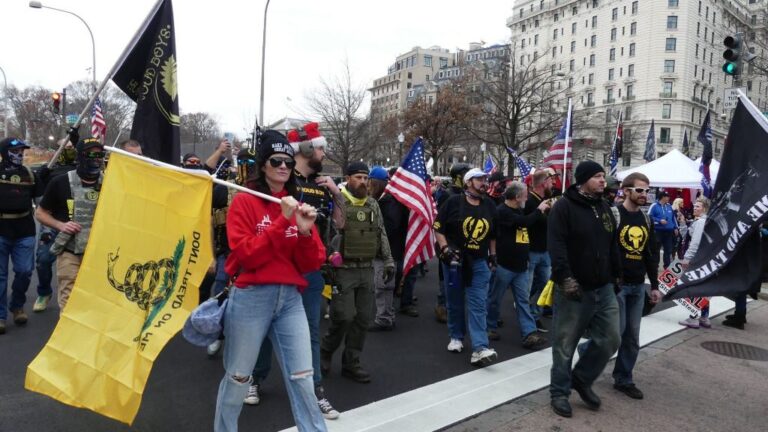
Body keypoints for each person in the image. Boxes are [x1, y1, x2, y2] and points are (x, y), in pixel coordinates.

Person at [214, 130, 327, 432]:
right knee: (238, 377)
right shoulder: (245, 203)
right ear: (263, 165)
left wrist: (303, 231)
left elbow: (311, 262)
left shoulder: (294, 203)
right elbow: (247, 255)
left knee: (303, 377)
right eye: (276, 161)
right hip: (251, 296)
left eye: (288, 163)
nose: (283, 167)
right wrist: (281, 221)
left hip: (290, 298)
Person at [247, 122, 344, 419]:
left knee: (311, 331)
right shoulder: (281, 183)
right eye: (319, 147)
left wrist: (336, 195)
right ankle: (254, 379)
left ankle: (315, 390)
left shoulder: (320, 183)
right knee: (263, 330)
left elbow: (340, 224)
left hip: (309, 270)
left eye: (286, 164)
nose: (324, 153)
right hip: (276, 267)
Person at [547, 160, 621, 418]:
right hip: (574, 288)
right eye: (598, 176)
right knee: (565, 343)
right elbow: (556, 246)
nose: (603, 180)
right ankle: (559, 392)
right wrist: (565, 278)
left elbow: (612, 244)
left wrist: (616, 274)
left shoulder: (604, 208)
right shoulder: (564, 208)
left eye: (603, 176)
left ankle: (581, 378)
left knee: (611, 338)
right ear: (582, 180)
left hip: (604, 287)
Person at [320, 162, 395, 384]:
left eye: (366, 178)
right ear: (348, 178)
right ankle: (325, 351)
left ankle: (351, 362)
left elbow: (381, 232)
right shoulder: (337, 199)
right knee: (343, 317)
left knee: (362, 319)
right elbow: (330, 232)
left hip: (366, 268)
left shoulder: (372, 204)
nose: (363, 182)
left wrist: (388, 259)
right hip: (343, 271)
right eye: (358, 177)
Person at [435, 168, 498, 366]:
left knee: (478, 304)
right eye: (480, 179)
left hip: (479, 262)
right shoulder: (453, 202)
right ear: (469, 182)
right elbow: (438, 228)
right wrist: (445, 248)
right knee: (455, 301)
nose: (484, 183)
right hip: (455, 261)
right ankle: (456, 336)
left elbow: (493, 234)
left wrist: (493, 255)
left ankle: (480, 347)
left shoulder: (489, 204)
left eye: (485, 179)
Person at [35, 138, 105, 312]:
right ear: (80, 156)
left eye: (99, 154)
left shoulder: (110, 183)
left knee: (94, 301)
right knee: (69, 301)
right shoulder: (60, 182)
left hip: (98, 253)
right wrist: (60, 225)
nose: (96, 158)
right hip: (69, 251)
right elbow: (40, 213)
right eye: (91, 154)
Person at [611, 173, 661, 400]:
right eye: (640, 190)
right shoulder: (614, 215)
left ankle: (624, 378)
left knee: (632, 337)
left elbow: (650, 255)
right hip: (617, 286)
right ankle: (586, 358)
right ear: (626, 190)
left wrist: (654, 285)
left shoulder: (646, 219)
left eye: (647, 191)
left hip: (638, 285)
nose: (644, 195)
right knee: (614, 336)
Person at [486, 181, 550, 349]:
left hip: (521, 265)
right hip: (504, 265)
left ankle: (529, 333)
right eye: (525, 195)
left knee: (522, 300)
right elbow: (523, 223)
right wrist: (539, 210)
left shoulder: (519, 210)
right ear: (516, 197)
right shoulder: (502, 212)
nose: (527, 198)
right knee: (495, 299)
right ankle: (489, 326)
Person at [0, 138, 46, 334]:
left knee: (25, 271)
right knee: (0, 276)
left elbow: (41, 202)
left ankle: (17, 305)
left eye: (22, 150)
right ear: (5, 152)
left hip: (25, 230)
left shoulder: (29, 174)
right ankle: (1, 316)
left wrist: (44, 178)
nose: (20, 154)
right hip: (1, 230)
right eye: (16, 150)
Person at [32, 138, 77, 313]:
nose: (69, 150)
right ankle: (44, 293)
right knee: (43, 260)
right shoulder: (49, 169)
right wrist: (39, 178)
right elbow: (37, 196)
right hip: (52, 224)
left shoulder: (82, 168)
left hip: (76, 224)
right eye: (65, 148)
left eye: (72, 148)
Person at [434, 163, 471, 323]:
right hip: (448, 242)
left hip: (463, 242)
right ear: (458, 177)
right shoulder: (447, 195)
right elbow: (440, 222)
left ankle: (456, 307)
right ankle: (442, 305)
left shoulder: (468, 194)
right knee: (446, 275)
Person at [524, 169, 556, 331]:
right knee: (527, 287)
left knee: (544, 285)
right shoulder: (529, 201)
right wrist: (539, 211)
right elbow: (524, 224)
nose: (553, 184)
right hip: (531, 251)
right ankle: (526, 316)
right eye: (551, 181)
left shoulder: (547, 200)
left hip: (546, 251)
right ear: (543, 183)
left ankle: (534, 314)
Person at [678, 197, 712, 329]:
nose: (694, 208)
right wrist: (682, 224)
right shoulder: (705, 221)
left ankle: (693, 318)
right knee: (704, 288)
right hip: (704, 259)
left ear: (704, 208)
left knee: (695, 288)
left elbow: (695, 243)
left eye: (698, 206)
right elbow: (686, 235)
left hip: (696, 259)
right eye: (695, 206)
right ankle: (704, 317)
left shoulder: (700, 223)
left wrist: (687, 258)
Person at [649, 191, 678, 268]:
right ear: (663, 197)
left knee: (668, 250)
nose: (668, 198)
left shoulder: (669, 206)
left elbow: (673, 218)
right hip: (658, 231)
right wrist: (659, 220)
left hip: (668, 232)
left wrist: (675, 227)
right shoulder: (654, 205)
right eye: (667, 196)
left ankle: (667, 266)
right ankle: (655, 266)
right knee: (656, 249)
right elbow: (649, 216)